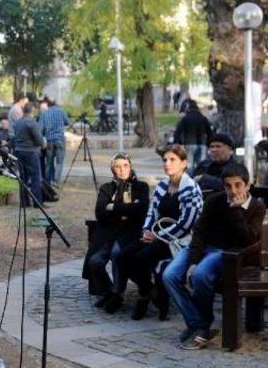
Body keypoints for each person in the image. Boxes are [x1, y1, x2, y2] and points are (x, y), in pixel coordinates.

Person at [163, 164, 266, 349]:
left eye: (238, 185)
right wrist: (194, 260)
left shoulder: (256, 207)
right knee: (169, 275)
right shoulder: (214, 200)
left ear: (248, 185)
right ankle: (198, 324)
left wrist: (236, 210)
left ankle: (201, 327)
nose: (233, 190)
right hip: (203, 248)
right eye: (228, 186)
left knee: (200, 275)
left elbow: (248, 240)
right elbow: (200, 232)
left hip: (227, 253)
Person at [116, 144, 203, 320]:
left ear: (184, 163)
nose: (167, 164)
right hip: (155, 235)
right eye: (165, 160)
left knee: (141, 257)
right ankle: (148, 289)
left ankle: (144, 296)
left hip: (178, 240)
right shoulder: (162, 185)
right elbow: (151, 211)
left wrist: (158, 235)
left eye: (172, 160)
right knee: (122, 257)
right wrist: (147, 230)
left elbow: (187, 223)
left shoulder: (191, 188)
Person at [83, 153, 149, 313]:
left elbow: (141, 210)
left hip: (130, 234)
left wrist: (114, 207)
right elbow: (100, 212)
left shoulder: (141, 186)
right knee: (95, 261)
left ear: (130, 166)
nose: (122, 170)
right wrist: (126, 211)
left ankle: (118, 294)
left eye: (125, 165)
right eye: (117, 166)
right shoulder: (106, 188)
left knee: (116, 254)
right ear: (113, 169)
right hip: (107, 234)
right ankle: (108, 291)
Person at [13, 103, 47, 207]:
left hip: (19, 151)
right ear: (32, 111)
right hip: (31, 152)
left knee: (23, 177)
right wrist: (43, 144)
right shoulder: (31, 123)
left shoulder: (18, 122)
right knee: (35, 177)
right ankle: (37, 203)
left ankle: (24, 202)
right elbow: (38, 139)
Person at [173, 101, 213, 171]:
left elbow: (178, 132)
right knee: (201, 164)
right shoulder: (203, 118)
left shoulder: (185, 118)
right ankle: (199, 177)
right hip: (202, 144)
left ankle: (189, 178)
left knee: (189, 164)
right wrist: (209, 144)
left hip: (189, 143)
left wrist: (177, 143)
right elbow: (209, 133)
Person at [38, 99, 69, 187]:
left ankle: (48, 181)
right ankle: (56, 181)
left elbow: (40, 129)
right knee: (59, 162)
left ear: (48, 104)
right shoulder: (61, 111)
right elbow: (67, 122)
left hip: (49, 141)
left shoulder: (44, 113)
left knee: (49, 162)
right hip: (60, 140)